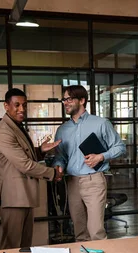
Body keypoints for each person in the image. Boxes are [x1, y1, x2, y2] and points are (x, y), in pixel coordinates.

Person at [0, 88, 63, 250]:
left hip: (23, 196)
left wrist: (40, 151)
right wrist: (53, 173)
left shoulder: (15, 126)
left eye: (24, 105)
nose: (22, 109)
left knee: (24, 247)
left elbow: (22, 157)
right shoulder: (4, 131)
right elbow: (24, 164)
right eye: (17, 105)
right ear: (6, 106)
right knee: (11, 248)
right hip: (14, 198)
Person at [52, 85, 125, 241]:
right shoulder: (62, 130)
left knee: (96, 231)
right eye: (64, 99)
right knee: (79, 232)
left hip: (94, 181)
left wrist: (101, 157)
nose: (65, 102)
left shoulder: (100, 123)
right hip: (72, 182)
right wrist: (58, 166)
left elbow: (120, 147)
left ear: (82, 100)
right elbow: (61, 156)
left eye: (69, 99)